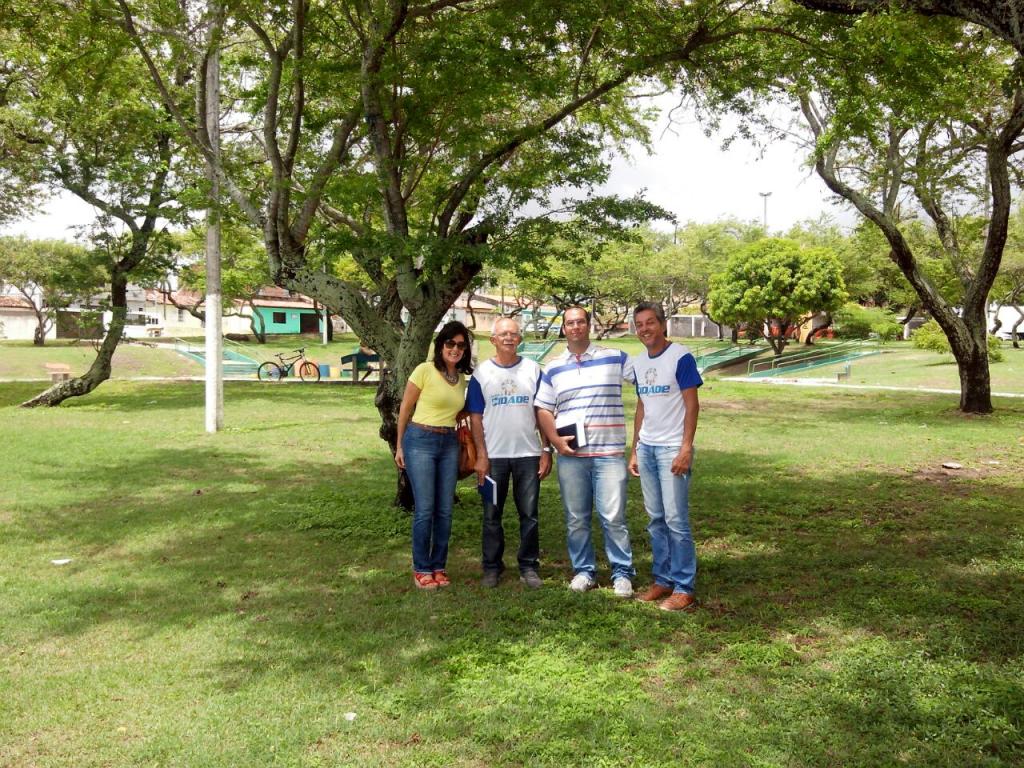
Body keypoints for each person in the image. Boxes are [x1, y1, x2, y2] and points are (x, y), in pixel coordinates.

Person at [535, 306, 636, 597]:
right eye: (570, 323)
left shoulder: (615, 357)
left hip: (609, 453)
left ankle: (622, 573)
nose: (576, 327)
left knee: (613, 517)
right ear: (563, 328)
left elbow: (647, 382)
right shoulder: (553, 367)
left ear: (589, 325)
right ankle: (584, 571)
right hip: (572, 456)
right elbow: (543, 408)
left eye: (581, 321)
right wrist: (554, 441)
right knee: (576, 518)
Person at [627, 302, 702, 612]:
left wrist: (686, 448)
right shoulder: (638, 362)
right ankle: (663, 579)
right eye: (639, 324)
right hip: (647, 448)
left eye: (650, 322)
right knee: (656, 519)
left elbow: (692, 405)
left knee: (676, 520)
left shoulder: (680, 357)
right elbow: (642, 406)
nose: (645, 329)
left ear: (662, 324)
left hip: (672, 448)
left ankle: (684, 587)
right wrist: (635, 448)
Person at [466, 317, 552, 589]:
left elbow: (542, 411)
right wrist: (481, 456)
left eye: (514, 334)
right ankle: (492, 566)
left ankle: (528, 565)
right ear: (493, 339)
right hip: (493, 457)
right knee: (492, 514)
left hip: (528, 455)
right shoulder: (481, 374)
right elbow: (475, 418)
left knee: (529, 514)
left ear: (520, 339)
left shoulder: (533, 370)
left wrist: (546, 449)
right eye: (503, 334)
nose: (508, 338)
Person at [395, 321, 474, 590]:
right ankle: (422, 568)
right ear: (441, 345)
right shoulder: (424, 370)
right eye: (450, 343)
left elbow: (456, 410)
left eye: (461, 345)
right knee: (425, 509)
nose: (455, 349)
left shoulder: (460, 378)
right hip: (420, 440)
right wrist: (400, 445)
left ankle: (439, 566)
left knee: (445, 510)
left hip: (449, 443)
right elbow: (405, 409)